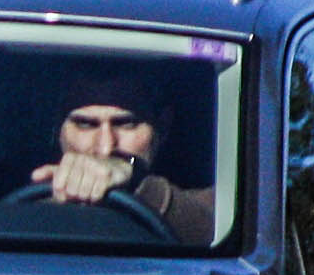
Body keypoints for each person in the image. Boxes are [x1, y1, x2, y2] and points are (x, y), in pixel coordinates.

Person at [30, 76, 216, 242]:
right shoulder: (26, 208)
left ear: (162, 127)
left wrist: (138, 183)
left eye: (126, 124)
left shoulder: (215, 200)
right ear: (57, 129)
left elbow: (214, 231)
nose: (105, 148)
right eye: (86, 124)